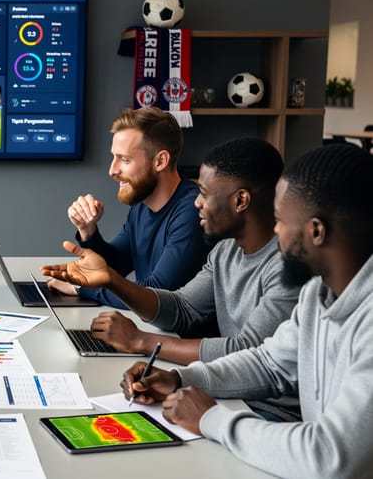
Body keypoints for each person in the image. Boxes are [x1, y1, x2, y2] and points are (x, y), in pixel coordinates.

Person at [117, 144, 373, 477]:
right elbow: (269, 363)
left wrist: (211, 419)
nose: (275, 232)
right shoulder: (316, 293)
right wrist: (181, 378)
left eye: (280, 221)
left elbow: (329, 456)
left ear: (316, 231)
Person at [43, 138, 301, 420]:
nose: (197, 203)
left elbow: (246, 349)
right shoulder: (226, 251)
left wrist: (141, 341)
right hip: (228, 393)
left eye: (204, 193)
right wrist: (113, 280)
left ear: (241, 200)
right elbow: (181, 308)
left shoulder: (287, 267)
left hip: (271, 412)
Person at [48, 107, 210, 309]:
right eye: (114, 157)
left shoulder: (193, 210)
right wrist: (88, 231)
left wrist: (83, 288)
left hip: (180, 338)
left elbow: (156, 293)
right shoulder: (142, 206)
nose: (112, 170)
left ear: (160, 161)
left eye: (124, 159)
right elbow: (114, 267)